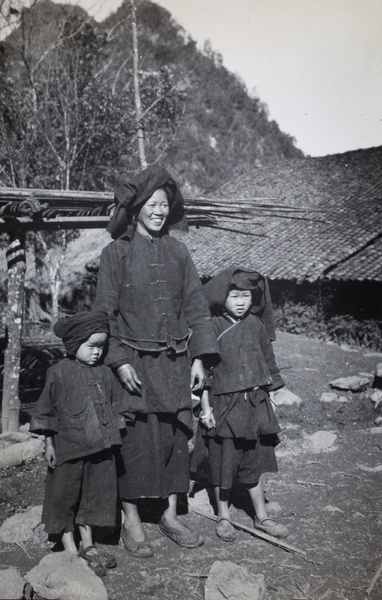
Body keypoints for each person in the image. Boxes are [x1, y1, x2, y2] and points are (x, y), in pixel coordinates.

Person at [94, 165, 219, 556]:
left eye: (165, 204)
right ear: (136, 209)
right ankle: (131, 519)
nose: (159, 211)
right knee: (134, 442)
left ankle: (168, 514)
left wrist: (199, 358)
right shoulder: (116, 254)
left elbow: (198, 310)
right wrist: (117, 360)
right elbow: (104, 315)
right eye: (152, 204)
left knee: (173, 438)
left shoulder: (179, 252)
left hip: (174, 363)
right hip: (132, 363)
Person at [192, 267, 289, 542]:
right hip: (224, 406)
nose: (240, 301)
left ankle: (262, 516)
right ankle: (223, 515)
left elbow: (268, 362)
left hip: (254, 404)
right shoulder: (212, 327)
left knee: (253, 460)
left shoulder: (257, 325)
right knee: (224, 461)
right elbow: (205, 373)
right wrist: (206, 409)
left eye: (246, 295)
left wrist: (272, 393)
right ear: (222, 298)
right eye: (234, 295)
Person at [30, 311, 124, 577]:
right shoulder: (58, 373)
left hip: (99, 447)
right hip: (68, 448)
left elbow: (115, 406)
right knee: (65, 494)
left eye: (102, 346)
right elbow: (47, 411)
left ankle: (88, 542)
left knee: (92, 493)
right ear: (74, 345)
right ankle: (69, 544)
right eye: (91, 346)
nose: (97, 352)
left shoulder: (105, 373)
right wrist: (49, 444)